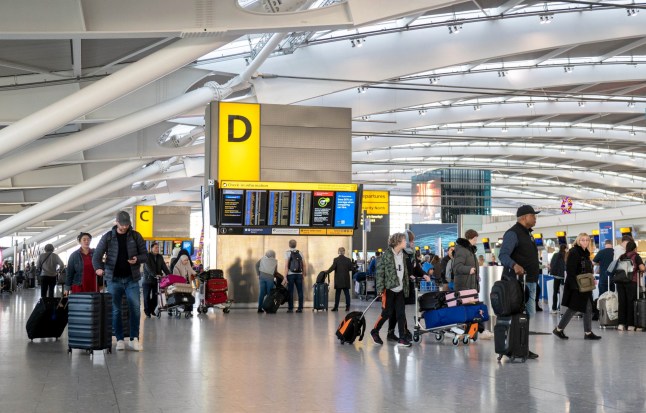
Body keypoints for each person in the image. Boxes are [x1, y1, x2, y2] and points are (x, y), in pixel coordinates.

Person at [93, 211, 147, 352]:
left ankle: (134, 339)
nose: (124, 227)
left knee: (135, 309)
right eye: (122, 225)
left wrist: (137, 259)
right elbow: (96, 256)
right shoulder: (108, 237)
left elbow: (145, 255)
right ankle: (120, 339)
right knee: (116, 310)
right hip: (113, 279)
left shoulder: (136, 236)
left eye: (127, 224)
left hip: (132, 279)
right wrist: (98, 268)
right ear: (116, 222)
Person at [498, 204, 541, 360]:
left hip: (529, 280)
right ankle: (517, 348)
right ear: (524, 217)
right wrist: (515, 265)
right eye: (533, 216)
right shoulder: (513, 233)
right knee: (520, 315)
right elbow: (502, 255)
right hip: (517, 283)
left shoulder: (527, 233)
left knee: (526, 316)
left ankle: (522, 347)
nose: (535, 218)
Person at [552, 233, 602, 340]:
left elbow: (587, 269)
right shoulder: (574, 252)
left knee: (587, 307)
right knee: (574, 308)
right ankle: (559, 329)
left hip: (585, 285)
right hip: (577, 285)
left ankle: (587, 332)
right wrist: (575, 287)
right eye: (582, 240)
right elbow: (570, 271)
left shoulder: (585, 252)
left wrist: (591, 279)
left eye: (587, 240)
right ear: (578, 241)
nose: (585, 242)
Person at [370, 232, 412, 347]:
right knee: (386, 313)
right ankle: (374, 331)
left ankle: (402, 338)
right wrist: (379, 289)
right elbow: (380, 274)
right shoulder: (386, 256)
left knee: (401, 314)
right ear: (398, 242)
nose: (405, 242)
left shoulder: (404, 255)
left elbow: (403, 272)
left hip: (400, 289)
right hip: (388, 289)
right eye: (404, 240)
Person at [453, 229, 493, 340]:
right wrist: (469, 270)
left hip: (470, 285)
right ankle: (481, 331)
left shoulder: (469, 251)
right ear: (472, 238)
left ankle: (471, 332)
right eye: (475, 239)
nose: (476, 241)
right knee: (473, 309)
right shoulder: (462, 251)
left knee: (472, 309)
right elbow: (456, 268)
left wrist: (475, 275)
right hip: (464, 287)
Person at [615, 241, 645, 331]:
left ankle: (621, 324)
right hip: (631, 282)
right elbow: (642, 268)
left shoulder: (622, 256)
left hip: (620, 282)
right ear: (634, 248)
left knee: (622, 302)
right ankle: (630, 325)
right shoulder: (636, 256)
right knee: (630, 302)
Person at [143, 242, 171, 318]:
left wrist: (169, 275)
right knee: (146, 297)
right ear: (151, 248)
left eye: (158, 248)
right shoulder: (147, 256)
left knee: (156, 296)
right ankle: (147, 311)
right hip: (147, 280)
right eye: (155, 247)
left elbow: (164, 267)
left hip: (157, 280)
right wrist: (155, 275)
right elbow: (148, 268)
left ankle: (152, 310)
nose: (157, 249)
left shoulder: (160, 257)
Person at [325, 247, 353, 312]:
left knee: (337, 294)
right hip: (346, 280)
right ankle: (347, 307)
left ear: (338, 252)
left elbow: (332, 268)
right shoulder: (348, 260)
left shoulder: (336, 259)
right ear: (344, 252)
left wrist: (327, 272)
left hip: (338, 280)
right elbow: (351, 268)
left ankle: (336, 307)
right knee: (347, 294)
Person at [285, 239, 306, 313]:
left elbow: (286, 266)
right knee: (300, 291)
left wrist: (285, 276)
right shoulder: (300, 252)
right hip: (299, 274)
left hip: (290, 275)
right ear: (296, 245)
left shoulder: (287, 253)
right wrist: (303, 274)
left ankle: (290, 308)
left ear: (289, 245)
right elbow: (304, 265)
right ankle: (300, 308)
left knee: (290, 291)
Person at [549, 244, 567, 314]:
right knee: (563, 293)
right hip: (564, 277)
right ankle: (561, 308)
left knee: (555, 292)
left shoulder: (555, 255)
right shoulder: (566, 255)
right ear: (565, 249)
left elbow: (552, 264)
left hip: (556, 276)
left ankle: (554, 308)